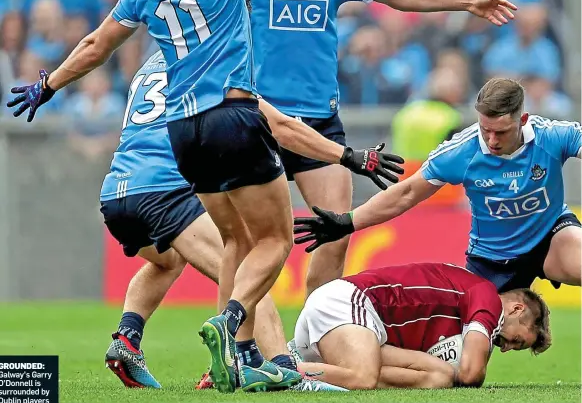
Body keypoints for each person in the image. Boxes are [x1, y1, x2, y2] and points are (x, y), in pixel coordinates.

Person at [64, 0, 517, 300]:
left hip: (319, 121)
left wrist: (466, 2)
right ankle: (234, 350)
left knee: (335, 234)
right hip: (262, 119)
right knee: (245, 242)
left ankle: (314, 345)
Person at [6, 0, 338, 394]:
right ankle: (275, 366)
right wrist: (347, 155)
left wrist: (48, 84)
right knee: (261, 250)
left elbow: (97, 45)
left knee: (179, 257)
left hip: (152, 162)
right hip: (206, 136)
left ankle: (130, 337)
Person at [100, 50, 402, 390]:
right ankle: (282, 369)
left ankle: (128, 337)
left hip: (116, 191)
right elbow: (281, 126)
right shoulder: (212, 60)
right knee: (249, 268)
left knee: (168, 261)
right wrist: (348, 156)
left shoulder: (154, 61)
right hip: (166, 188)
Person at [294, 78, 582, 293]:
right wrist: (348, 222)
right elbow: (406, 193)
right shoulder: (461, 152)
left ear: (522, 120)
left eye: (501, 132)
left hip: (550, 237)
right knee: (467, 369)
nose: (492, 141)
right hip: (491, 261)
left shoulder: (552, 136)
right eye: (486, 130)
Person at [290, 262, 551, 390]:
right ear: (517, 309)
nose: (506, 349)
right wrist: (468, 366)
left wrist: (454, 371)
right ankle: (283, 370)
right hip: (349, 301)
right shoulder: (488, 297)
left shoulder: (460, 314)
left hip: (361, 333)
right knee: (363, 377)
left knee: (440, 376)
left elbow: (457, 375)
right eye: (517, 341)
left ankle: (320, 372)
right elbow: (471, 374)